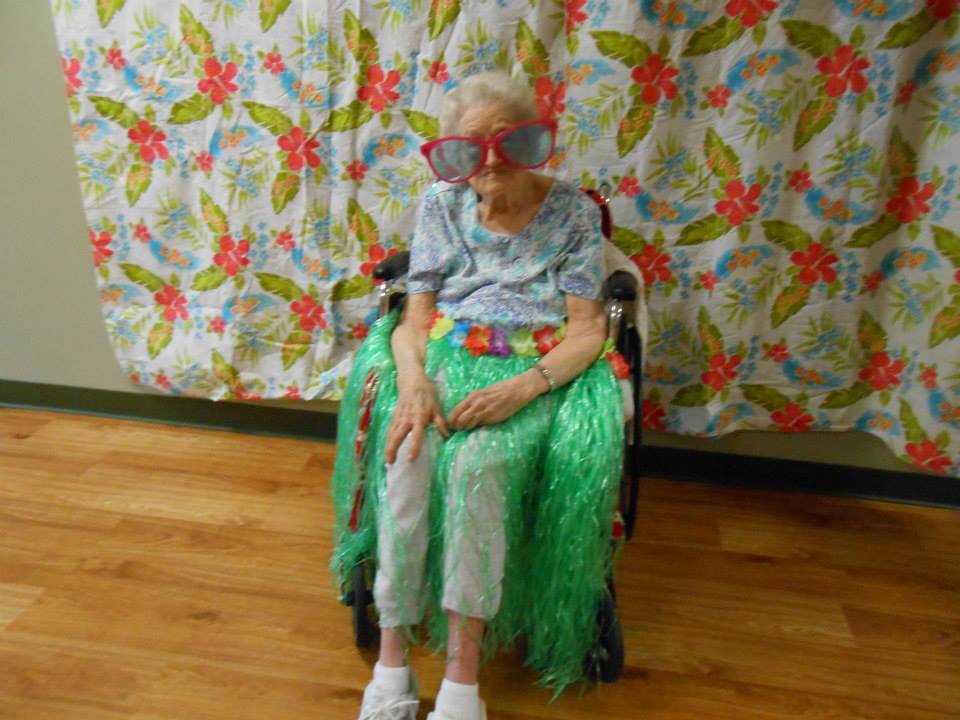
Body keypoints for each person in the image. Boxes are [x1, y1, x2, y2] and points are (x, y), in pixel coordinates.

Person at [331, 71, 625, 720]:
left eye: (506, 139)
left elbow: (586, 331)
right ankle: (392, 664)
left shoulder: (574, 213)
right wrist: (415, 382)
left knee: (477, 469)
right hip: (443, 357)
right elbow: (414, 320)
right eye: (472, 146)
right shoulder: (442, 203)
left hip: (531, 368)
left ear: (533, 140)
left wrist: (523, 388)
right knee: (407, 459)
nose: (489, 160)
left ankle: (462, 684)